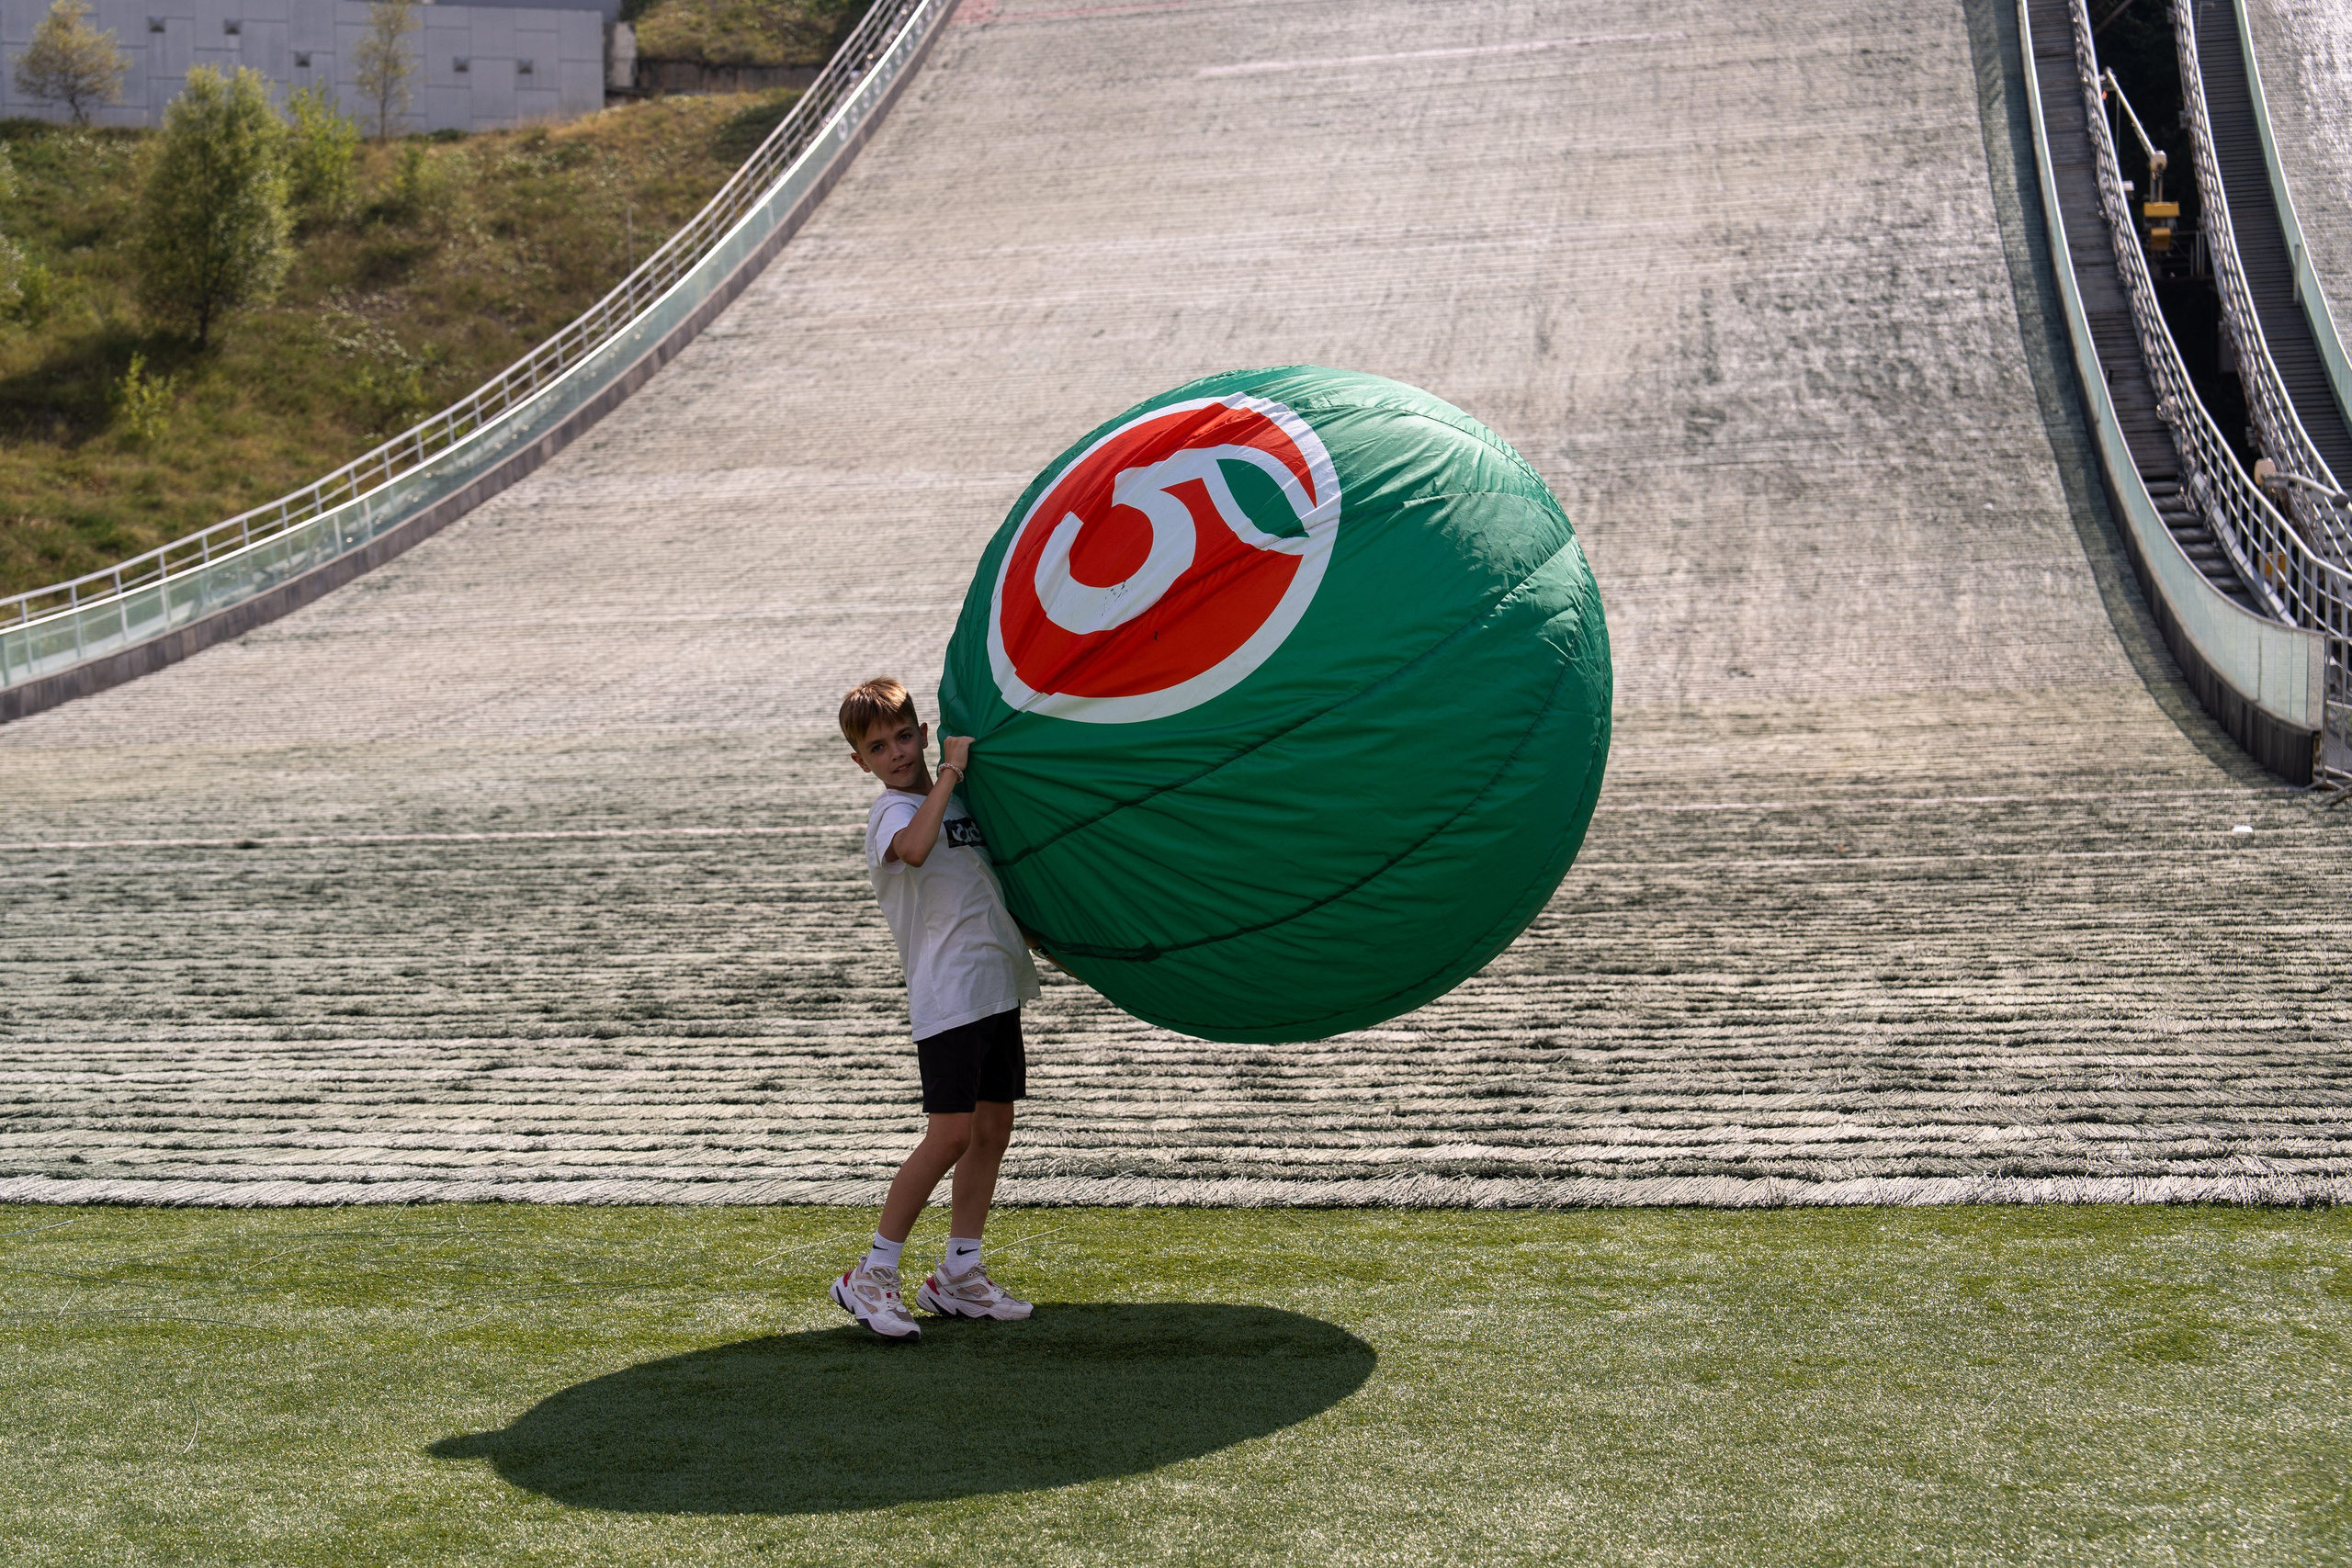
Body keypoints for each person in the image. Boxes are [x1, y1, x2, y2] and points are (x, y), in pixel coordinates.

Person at [831, 676, 1043, 1342]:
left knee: (992, 1130)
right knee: (949, 1135)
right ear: (859, 761)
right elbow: (917, 850)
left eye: (902, 736)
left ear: (920, 732)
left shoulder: (953, 800)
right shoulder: (892, 813)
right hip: (948, 996)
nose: (895, 752)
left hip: (995, 988)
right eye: (878, 746)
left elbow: (988, 883)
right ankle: (871, 1272)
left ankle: (958, 1273)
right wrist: (950, 769)